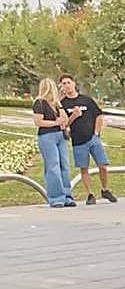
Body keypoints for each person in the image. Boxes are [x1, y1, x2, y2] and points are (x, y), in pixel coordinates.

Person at [59, 74, 117, 205]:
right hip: (78, 141)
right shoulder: (63, 104)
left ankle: (105, 189)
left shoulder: (86, 100)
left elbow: (99, 115)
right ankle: (90, 194)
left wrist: (96, 133)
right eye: (64, 83)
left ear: (74, 84)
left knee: (102, 165)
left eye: (68, 82)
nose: (66, 85)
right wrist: (73, 116)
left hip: (92, 138)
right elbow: (64, 124)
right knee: (84, 168)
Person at [31, 78, 75, 208]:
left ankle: (67, 195)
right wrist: (55, 122)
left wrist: (59, 106)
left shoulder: (56, 103)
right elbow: (38, 122)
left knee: (64, 165)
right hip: (47, 136)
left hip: (60, 136)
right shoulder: (39, 103)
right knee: (53, 166)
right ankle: (56, 197)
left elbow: (65, 119)